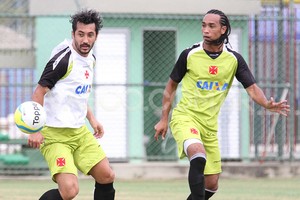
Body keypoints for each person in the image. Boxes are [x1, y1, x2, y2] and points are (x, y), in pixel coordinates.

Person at [154, 9, 290, 200]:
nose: (205, 30)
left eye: (211, 26)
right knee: (198, 155)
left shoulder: (234, 59)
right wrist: (163, 119)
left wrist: (267, 104)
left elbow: (252, 89)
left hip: (209, 126)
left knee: (211, 185)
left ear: (223, 29)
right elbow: (171, 87)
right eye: (203, 25)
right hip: (186, 117)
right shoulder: (189, 54)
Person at [28, 9, 115, 200]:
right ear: (73, 34)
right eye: (80, 34)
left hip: (79, 132)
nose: (85, 40)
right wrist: (35, 129)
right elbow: (39, 92)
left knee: (106, 175)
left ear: (96, 36)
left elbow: (78, 94)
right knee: (69, 190)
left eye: (90, 35)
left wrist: (92, 119)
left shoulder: (90, 59)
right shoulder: (64, 59)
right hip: (55, 134)